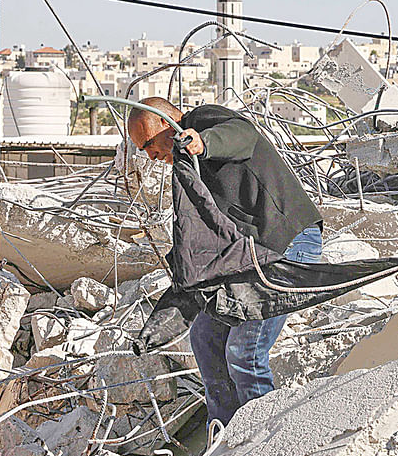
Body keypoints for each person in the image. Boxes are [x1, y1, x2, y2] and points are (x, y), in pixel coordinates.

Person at [127, 97, 323, 426]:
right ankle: (225, 436)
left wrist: (202, 141)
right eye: (142, 149)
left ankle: (262, 438)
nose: (151, 154)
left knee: (244, 351)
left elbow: (242, 134)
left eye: (149, 143)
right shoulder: (190, 167)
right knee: (205, 338)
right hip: (254, 255)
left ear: (166, 122)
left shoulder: (202, 120)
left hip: (288, 241)